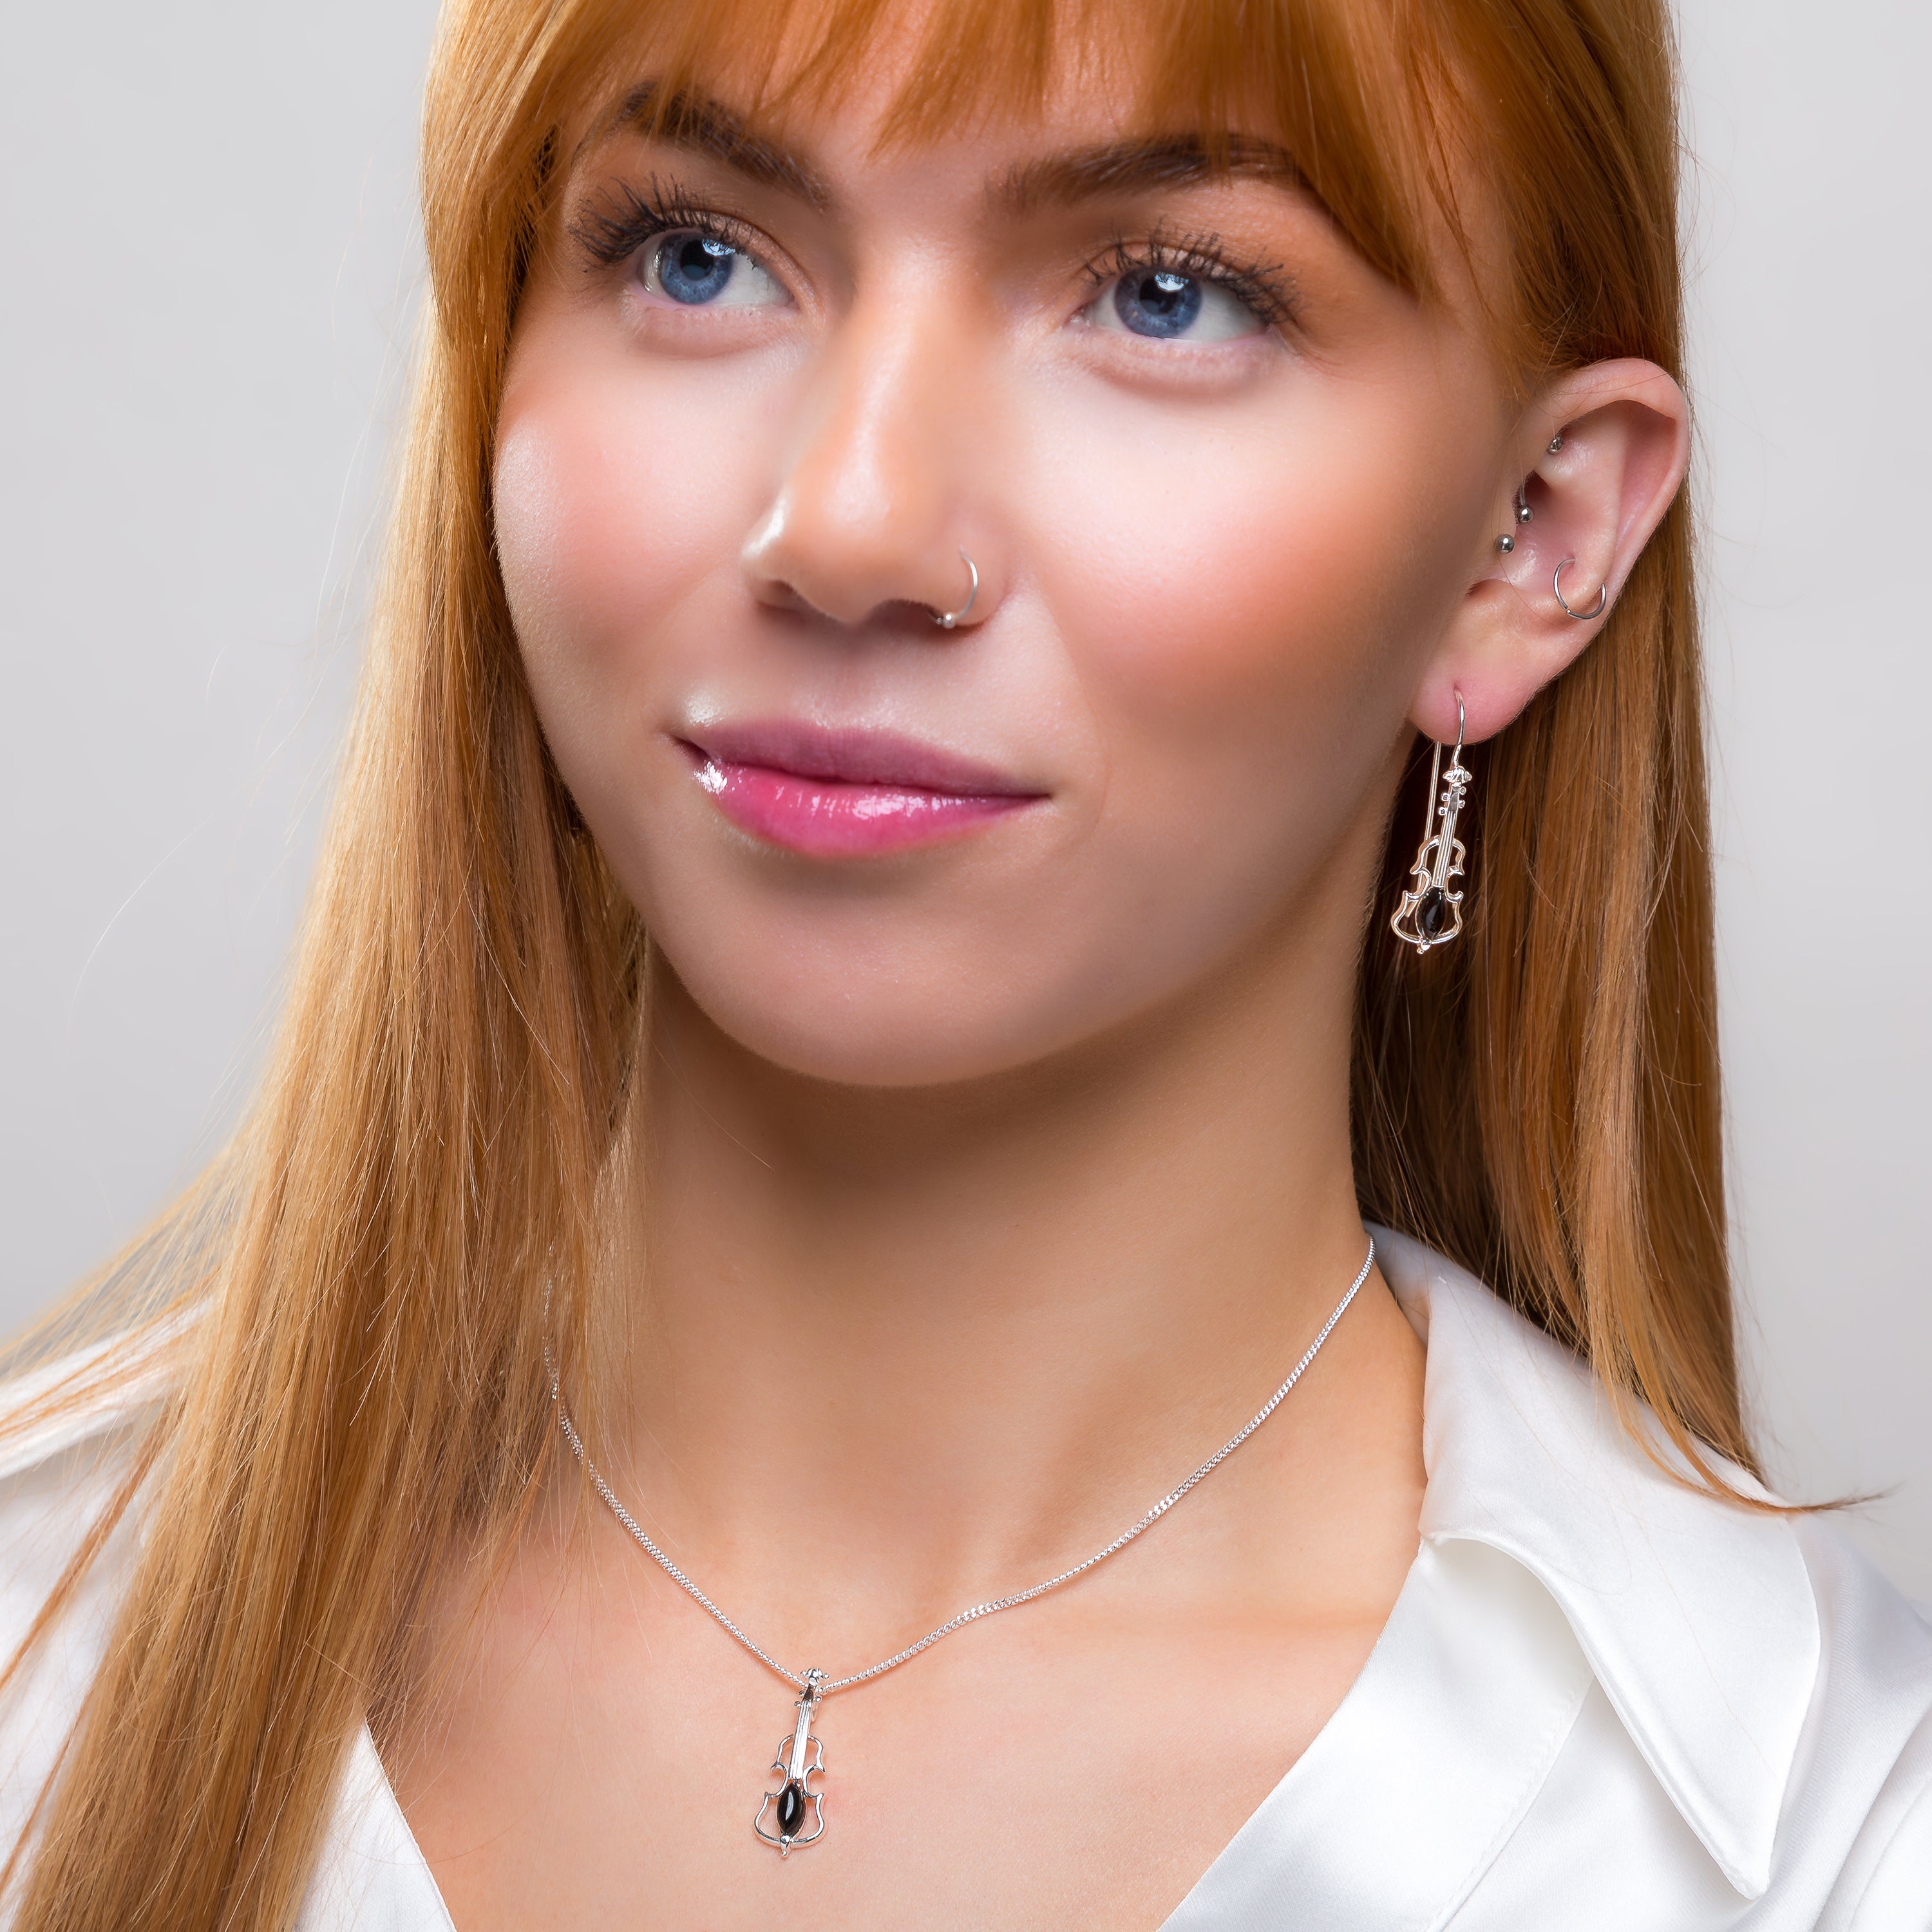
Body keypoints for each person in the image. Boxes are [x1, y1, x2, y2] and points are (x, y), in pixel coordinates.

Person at [3, 0, 1928, 1924]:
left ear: (1534, 536)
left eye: (1165, 297)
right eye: (697, 257)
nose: (850, 525)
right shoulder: (38, 1640)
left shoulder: (1829, 1840)